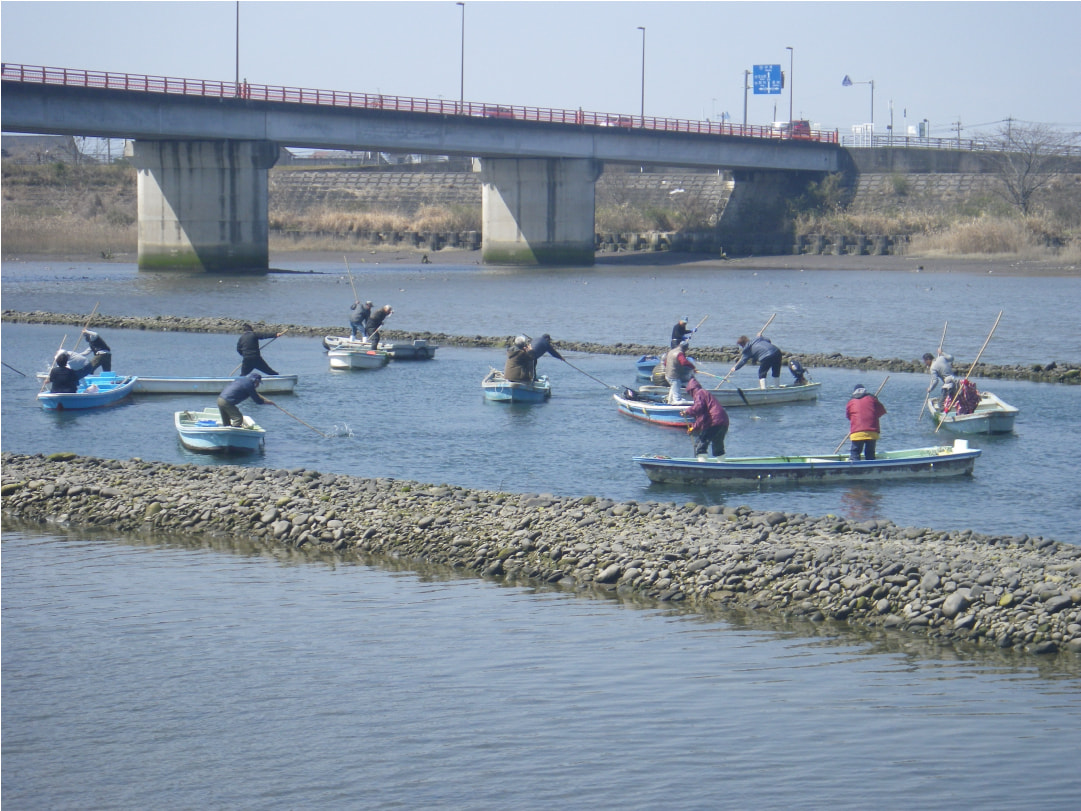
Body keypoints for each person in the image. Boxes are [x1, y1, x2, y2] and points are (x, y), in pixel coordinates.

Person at [681, 378, 730, 459]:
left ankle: (702, 465)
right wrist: (694, 427)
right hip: (723, 421)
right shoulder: (705, 393)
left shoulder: (699, 394)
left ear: (691, 390)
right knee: (718, 444)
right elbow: (702, 417)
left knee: (701, 444)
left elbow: (699, 408)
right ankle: (721, 464)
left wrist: (688, 411)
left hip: (713, 421)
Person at [845, 383, 887, 462]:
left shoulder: (850, 402)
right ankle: (870, 469)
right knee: (870, 454)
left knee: (855, 453)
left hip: (856, 433)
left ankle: (855, 469)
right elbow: (882, 411)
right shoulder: (872, 399)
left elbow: (848, 416)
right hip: (872, 432)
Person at [663, 339, 696, 403]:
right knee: (677, 396)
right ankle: (677, 401)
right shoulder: (679, 353)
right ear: (685, 348)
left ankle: (669, 401)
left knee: (673, 388)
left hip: (667, 375)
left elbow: (665, 363)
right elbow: (684, 362)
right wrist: (693, 367)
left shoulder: (671, 351)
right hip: (674, 376)